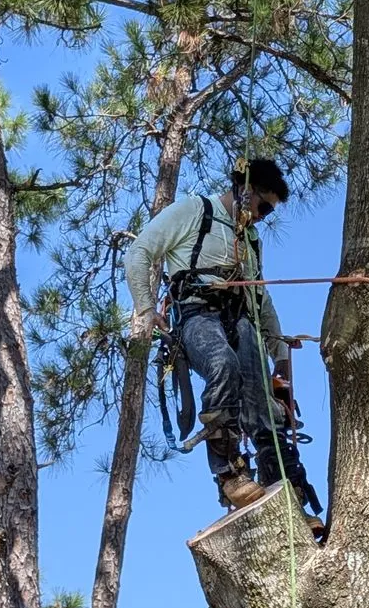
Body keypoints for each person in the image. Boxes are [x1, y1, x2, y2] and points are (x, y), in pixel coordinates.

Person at [124, 158, 322, 531]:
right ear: (245, 190)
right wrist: (147, 310)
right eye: (262, 206)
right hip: (196, 316)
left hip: (240, 320)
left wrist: (279, 355)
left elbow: (261, 301)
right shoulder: (194, 211)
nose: (262, 217)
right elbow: (139, 253)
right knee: (222, 366)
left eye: (268, 213)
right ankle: (229, 474)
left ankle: (289, 490)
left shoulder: (250, 240)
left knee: (263, 405)